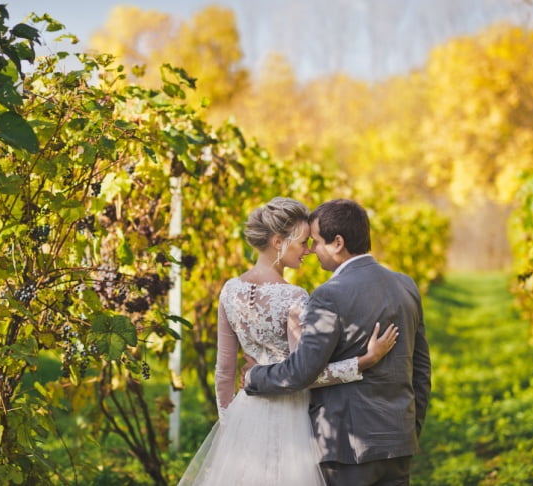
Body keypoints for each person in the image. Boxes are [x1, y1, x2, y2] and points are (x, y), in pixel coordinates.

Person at [178, 197, 398, 486]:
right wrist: (363, 362)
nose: (309, 250)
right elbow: (305, 375)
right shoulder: (294, 298)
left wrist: (229, 424)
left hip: (245, 412)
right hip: (290, 417)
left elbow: (224, 370)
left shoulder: (229, 291)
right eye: (304, 242)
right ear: (279, 242)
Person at [244, 198, 432, 485]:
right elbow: (421, 370)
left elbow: (301, 372)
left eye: (316, 241)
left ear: (338, 242)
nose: (311, 250)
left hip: (347, 447)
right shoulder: (405, 284)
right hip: (398, 440)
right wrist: (409, 428)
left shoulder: (328, 295)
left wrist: (254, 376)